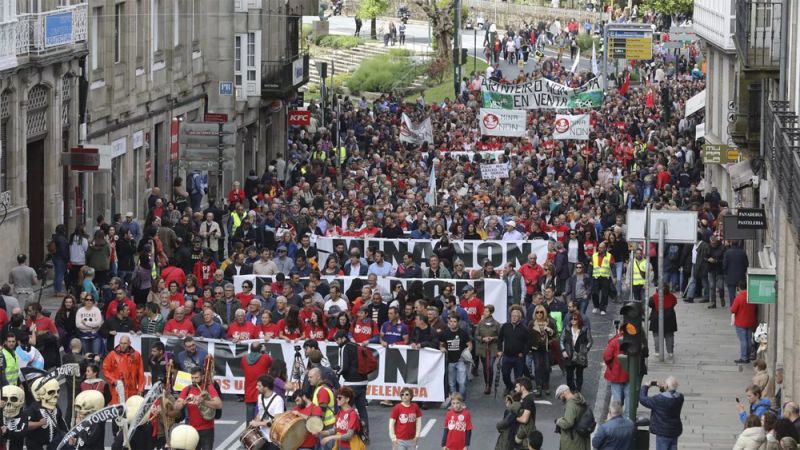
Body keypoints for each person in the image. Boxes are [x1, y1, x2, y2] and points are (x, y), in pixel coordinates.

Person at [173, 366, 223, 450]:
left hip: (207, 429)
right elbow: (176, 407)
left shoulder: (209, 388)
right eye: (192, 378)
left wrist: (203, 402)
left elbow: (219, 404)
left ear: (202, 377)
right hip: (192, 430)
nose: (194, 380)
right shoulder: (187, 389)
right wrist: (183, 402)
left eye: (196, 378)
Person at [333, 331, 370, 440]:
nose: (336, 342)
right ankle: (365, 435)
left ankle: (347, 433)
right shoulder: (356, 345)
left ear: (342, 338)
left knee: (345, 409)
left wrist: (337, 372)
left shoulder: (345, 347)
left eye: (337, 340)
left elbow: (344, 367)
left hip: (352, 383)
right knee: (362, 409)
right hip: (363, 381)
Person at [639, 376, 684, 450]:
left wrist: (645, 387)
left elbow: (643, 399)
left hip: (663, 431)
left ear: (666, 386)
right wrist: (663, 388)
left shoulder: (659, 399)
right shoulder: (680, 398)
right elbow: (670, 396)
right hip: (674, 430)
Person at [102, 334, 145, 405]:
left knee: (131, 409)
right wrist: (113, 380)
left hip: (132, 388)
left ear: (129, 343)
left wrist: (141, 389)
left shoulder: (136, 355)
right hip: (118, 387)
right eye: (121, 343)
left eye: (125, 343)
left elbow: (140, 373)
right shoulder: (112, 355)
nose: (122, 345)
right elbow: (105, 368)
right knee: (118, 408)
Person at [497, 305, 529, 395]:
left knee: (518, 377)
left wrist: (523, 353)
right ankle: (508, 386)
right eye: (512, 316)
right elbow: (500, 339)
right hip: (507, 356)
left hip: (518, 357)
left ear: (520, 318)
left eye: (516, 316)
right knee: (505, 374)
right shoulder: (505, 326)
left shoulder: (524, 329)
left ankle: (516, 391)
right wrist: (499, 350)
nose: (513, 318)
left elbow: (528, 343)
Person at [440, 315, 472, 401]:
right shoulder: (445, 333)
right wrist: (441, 348)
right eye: (451, 322)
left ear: (458, 322)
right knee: (452, 384)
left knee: (462, 382)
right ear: (448, 323)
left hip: (461, 361)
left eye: (454, 321)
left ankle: (461, 401)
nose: (452, 323)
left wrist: (466, 353)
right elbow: (441, 344)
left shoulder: (463, 333)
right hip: (450, 361)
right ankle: (454, 402)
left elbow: (469, 345)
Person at [249, 375, 285, 450]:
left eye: (259, 385)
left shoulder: (278, 400)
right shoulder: (260, 397)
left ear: (266, 387)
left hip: (273, 438)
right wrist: (255, 422)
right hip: (262, 436)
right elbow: (260, 413)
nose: (256, 387)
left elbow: (277, 422)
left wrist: (258, 423)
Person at [242, 342, 274, 422]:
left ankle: (249, 433)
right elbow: (272, 363)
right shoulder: (265, 357)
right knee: (262, 418)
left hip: (249, 391)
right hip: (262, 391)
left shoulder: (244, 358)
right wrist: (264, 352)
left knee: (249, 420)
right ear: (260, 349)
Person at [603, 324, 630, 417]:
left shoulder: (614, 342)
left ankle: (617, 415)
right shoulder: (632, 341)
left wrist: (611, 366)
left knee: (617, 396)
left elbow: (607, 356)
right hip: (629, 373)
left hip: (615, 373)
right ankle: (628, 416)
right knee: (629, 397)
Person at [560, 312, 591, 392]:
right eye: (571, 319)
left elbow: (590, 341)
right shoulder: (566, 329)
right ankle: (571, 388)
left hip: (580, 355)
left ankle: (578, 390)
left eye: (575, 319)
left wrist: (585, 350)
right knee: (569, 375)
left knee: (579, 374)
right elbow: (561, 340)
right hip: (569, 355)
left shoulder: (584, 329)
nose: (573, 320)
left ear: (579, 320)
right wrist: (563, 350)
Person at [554, 384, 591, 450]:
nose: (560, 399)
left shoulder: (570, 404)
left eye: (560, 396)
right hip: (581, 438)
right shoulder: (579, 400)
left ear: (563, 393)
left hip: (573, 440)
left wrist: (558, 421)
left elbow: (568, 423)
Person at [475, 304, 499, 395]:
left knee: (490, 366)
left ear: (491, 312)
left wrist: (493, 338)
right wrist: (482, 339)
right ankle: (486, 384)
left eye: (486, 311)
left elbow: (499, 337)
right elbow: (476, 335)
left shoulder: (496, 324)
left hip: (492, 348)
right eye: (484, 311)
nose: (484, 313)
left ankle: (489, 385)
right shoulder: (480, 323)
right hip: (483, 348)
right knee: (485, 367)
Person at [649, 283, 678, 360]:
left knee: (657, 335)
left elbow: (650, 304)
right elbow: (674, 302)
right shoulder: (672, 297)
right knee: (669, 335)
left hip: (656, 319)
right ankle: (670, 352)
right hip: (670, 319)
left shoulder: (654, 297)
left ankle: (657, 351)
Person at [731, 280, 757, 363]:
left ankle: (744, 357)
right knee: (748, 340)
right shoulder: (751, 296)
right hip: (750, 321)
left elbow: (733, 310)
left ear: (739, 288)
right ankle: (748, 356)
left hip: (741, 322)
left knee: (743, 340)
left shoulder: (739, 298)